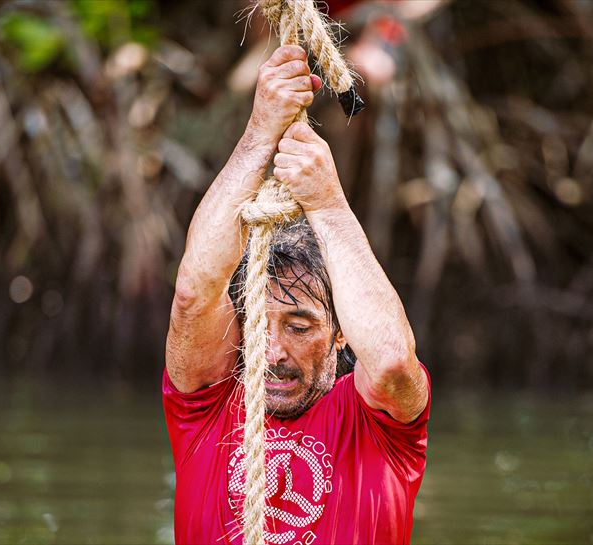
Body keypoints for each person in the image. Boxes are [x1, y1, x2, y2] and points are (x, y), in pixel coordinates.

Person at [164, 44, 431, 545]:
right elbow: (194, 294)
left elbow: (394, 362)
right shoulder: (208, 407)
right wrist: (259, 134)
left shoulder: (381, 427)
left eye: (300, 326)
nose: (274, 352)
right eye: (261, 325)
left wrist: (327, 204)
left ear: (339, 335)